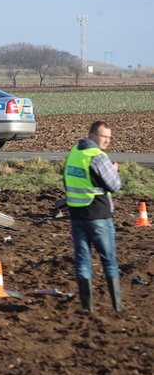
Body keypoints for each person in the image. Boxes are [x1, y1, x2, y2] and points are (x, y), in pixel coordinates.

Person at [64, 120, 122, 313]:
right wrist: (114, 171)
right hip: (98, 215)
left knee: (82, 260)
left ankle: (87, 307)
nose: (107, 141)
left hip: (76, 214)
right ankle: (117, 306)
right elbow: (114, 185)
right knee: (109, 260)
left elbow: (67, 180)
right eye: (104, 136)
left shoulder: (74, 152)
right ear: (93, 135)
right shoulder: (97, 156)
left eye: (109, 137)